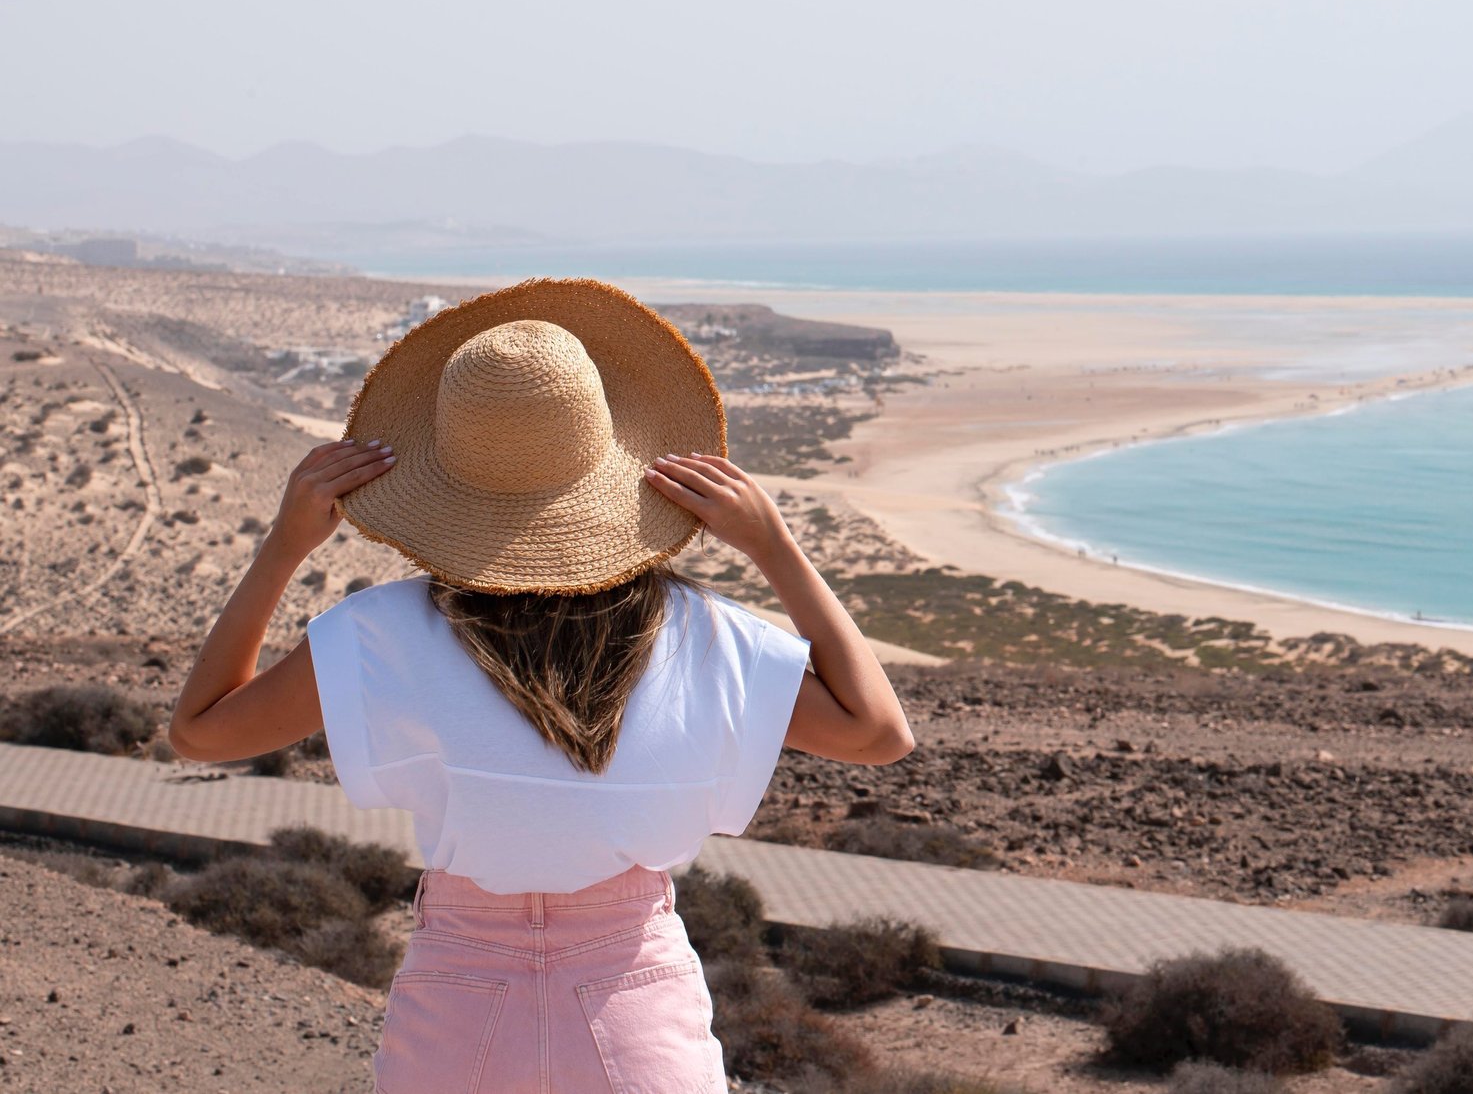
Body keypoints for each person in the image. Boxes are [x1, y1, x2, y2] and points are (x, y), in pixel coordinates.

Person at [166, 277, 914, 1092]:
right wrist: (774, 547)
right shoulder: (704, 636)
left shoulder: (383, 634)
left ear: (446, 478)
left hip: (458, 1001)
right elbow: (879, 733)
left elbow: (200, 730)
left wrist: (283, 545)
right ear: (614, 463)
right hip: (636, 1008)